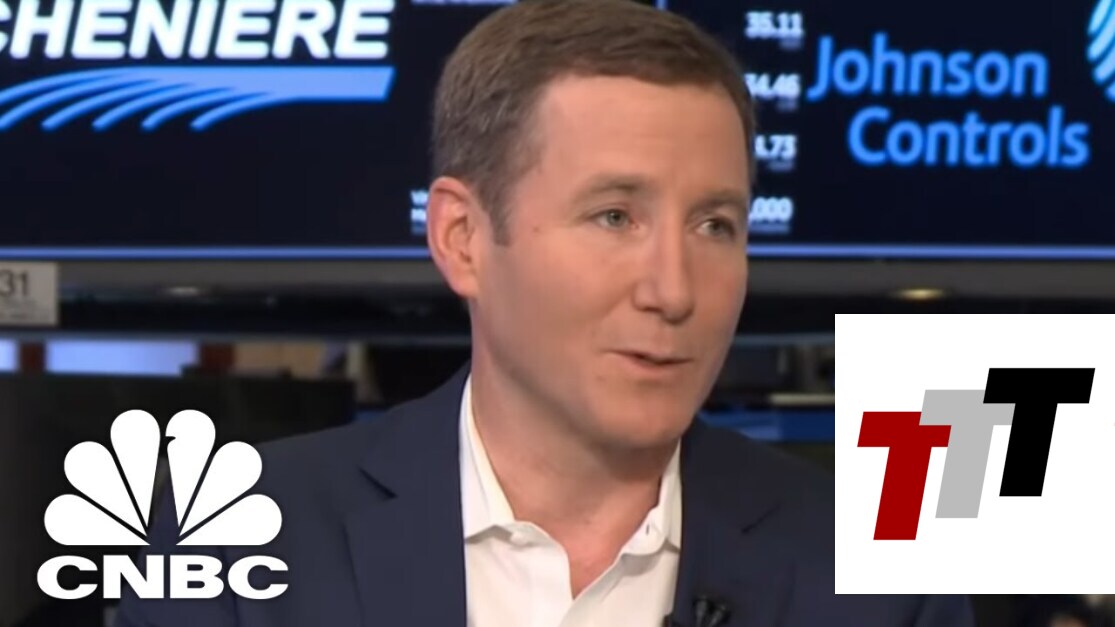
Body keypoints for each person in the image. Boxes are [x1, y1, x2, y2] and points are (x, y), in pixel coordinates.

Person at [116, 1, 973, 625]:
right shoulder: (230, 545)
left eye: (715, 225)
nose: (673, 290)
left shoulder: (879, 580)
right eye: (614, 216)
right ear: (461, 238)